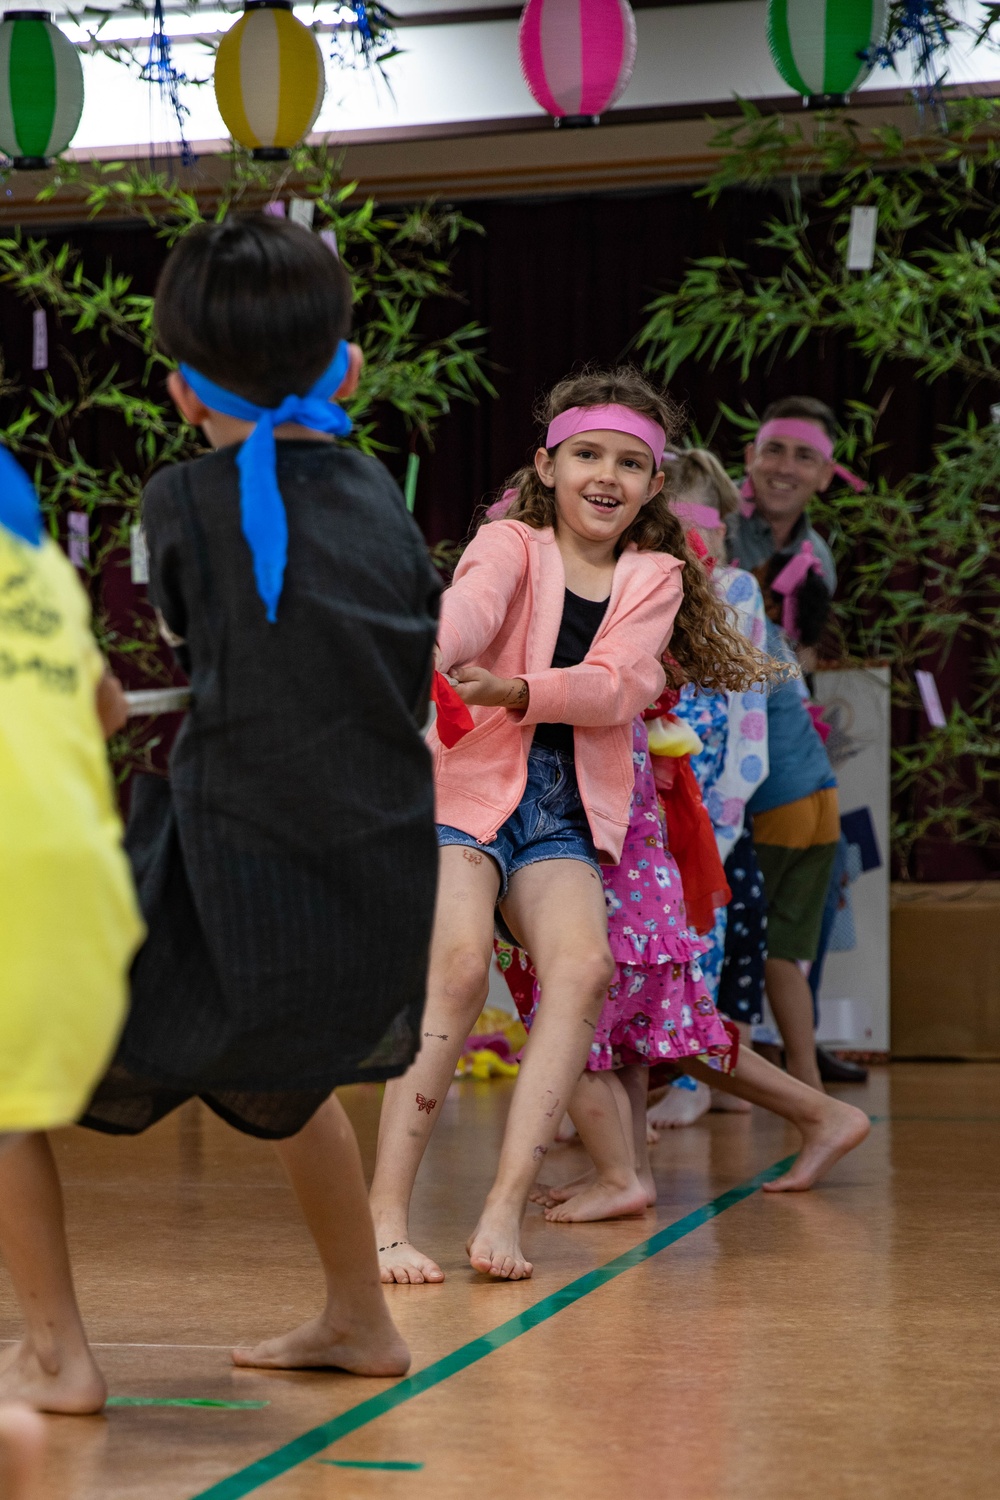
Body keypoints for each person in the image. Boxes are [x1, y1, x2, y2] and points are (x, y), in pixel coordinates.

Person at [25, 214, 440, 1404]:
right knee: (291, 1075)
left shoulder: (182, 501)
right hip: (371, 894)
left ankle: (56, 1357)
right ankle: (361, 1320)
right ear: (349, 371)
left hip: (235, 880)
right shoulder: (384, 497)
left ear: (173, 386)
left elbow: (202, 660)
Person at [370, 366, 740, 1283]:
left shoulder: (655, 574)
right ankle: (384, 1218)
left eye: (628, 462)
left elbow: (616, 684)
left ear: (656, 486)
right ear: (546, 465)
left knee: (585, 966)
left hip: (566, 812)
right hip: (468, 793)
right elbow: (468, 611)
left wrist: (521, 691)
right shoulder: (508, 543)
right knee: (456, 972)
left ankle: (502, 1214)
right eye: (586, 455)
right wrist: (424, 649)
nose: (604, 475)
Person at [0, 445, 144, 1414]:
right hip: (85, 883)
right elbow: (107, 706)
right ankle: (52, 1351)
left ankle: (59, 1358)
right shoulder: (44, 575)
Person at [647, 449, 770, 1130]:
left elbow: (749, 720)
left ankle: (696, 1077)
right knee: (650, 940)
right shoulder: (645, 585)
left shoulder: (738, 593)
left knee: (705, 936)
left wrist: (726, 813)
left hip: (706, 806)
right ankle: (651, 1077)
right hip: (644, 796)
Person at [746, 552, 839, 1093]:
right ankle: (806, 1081)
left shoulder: (738, 628)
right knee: (783, 951)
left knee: (735, 941)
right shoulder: (778, 639)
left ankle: (708, 1086)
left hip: (776, 803)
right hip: (821, 797)